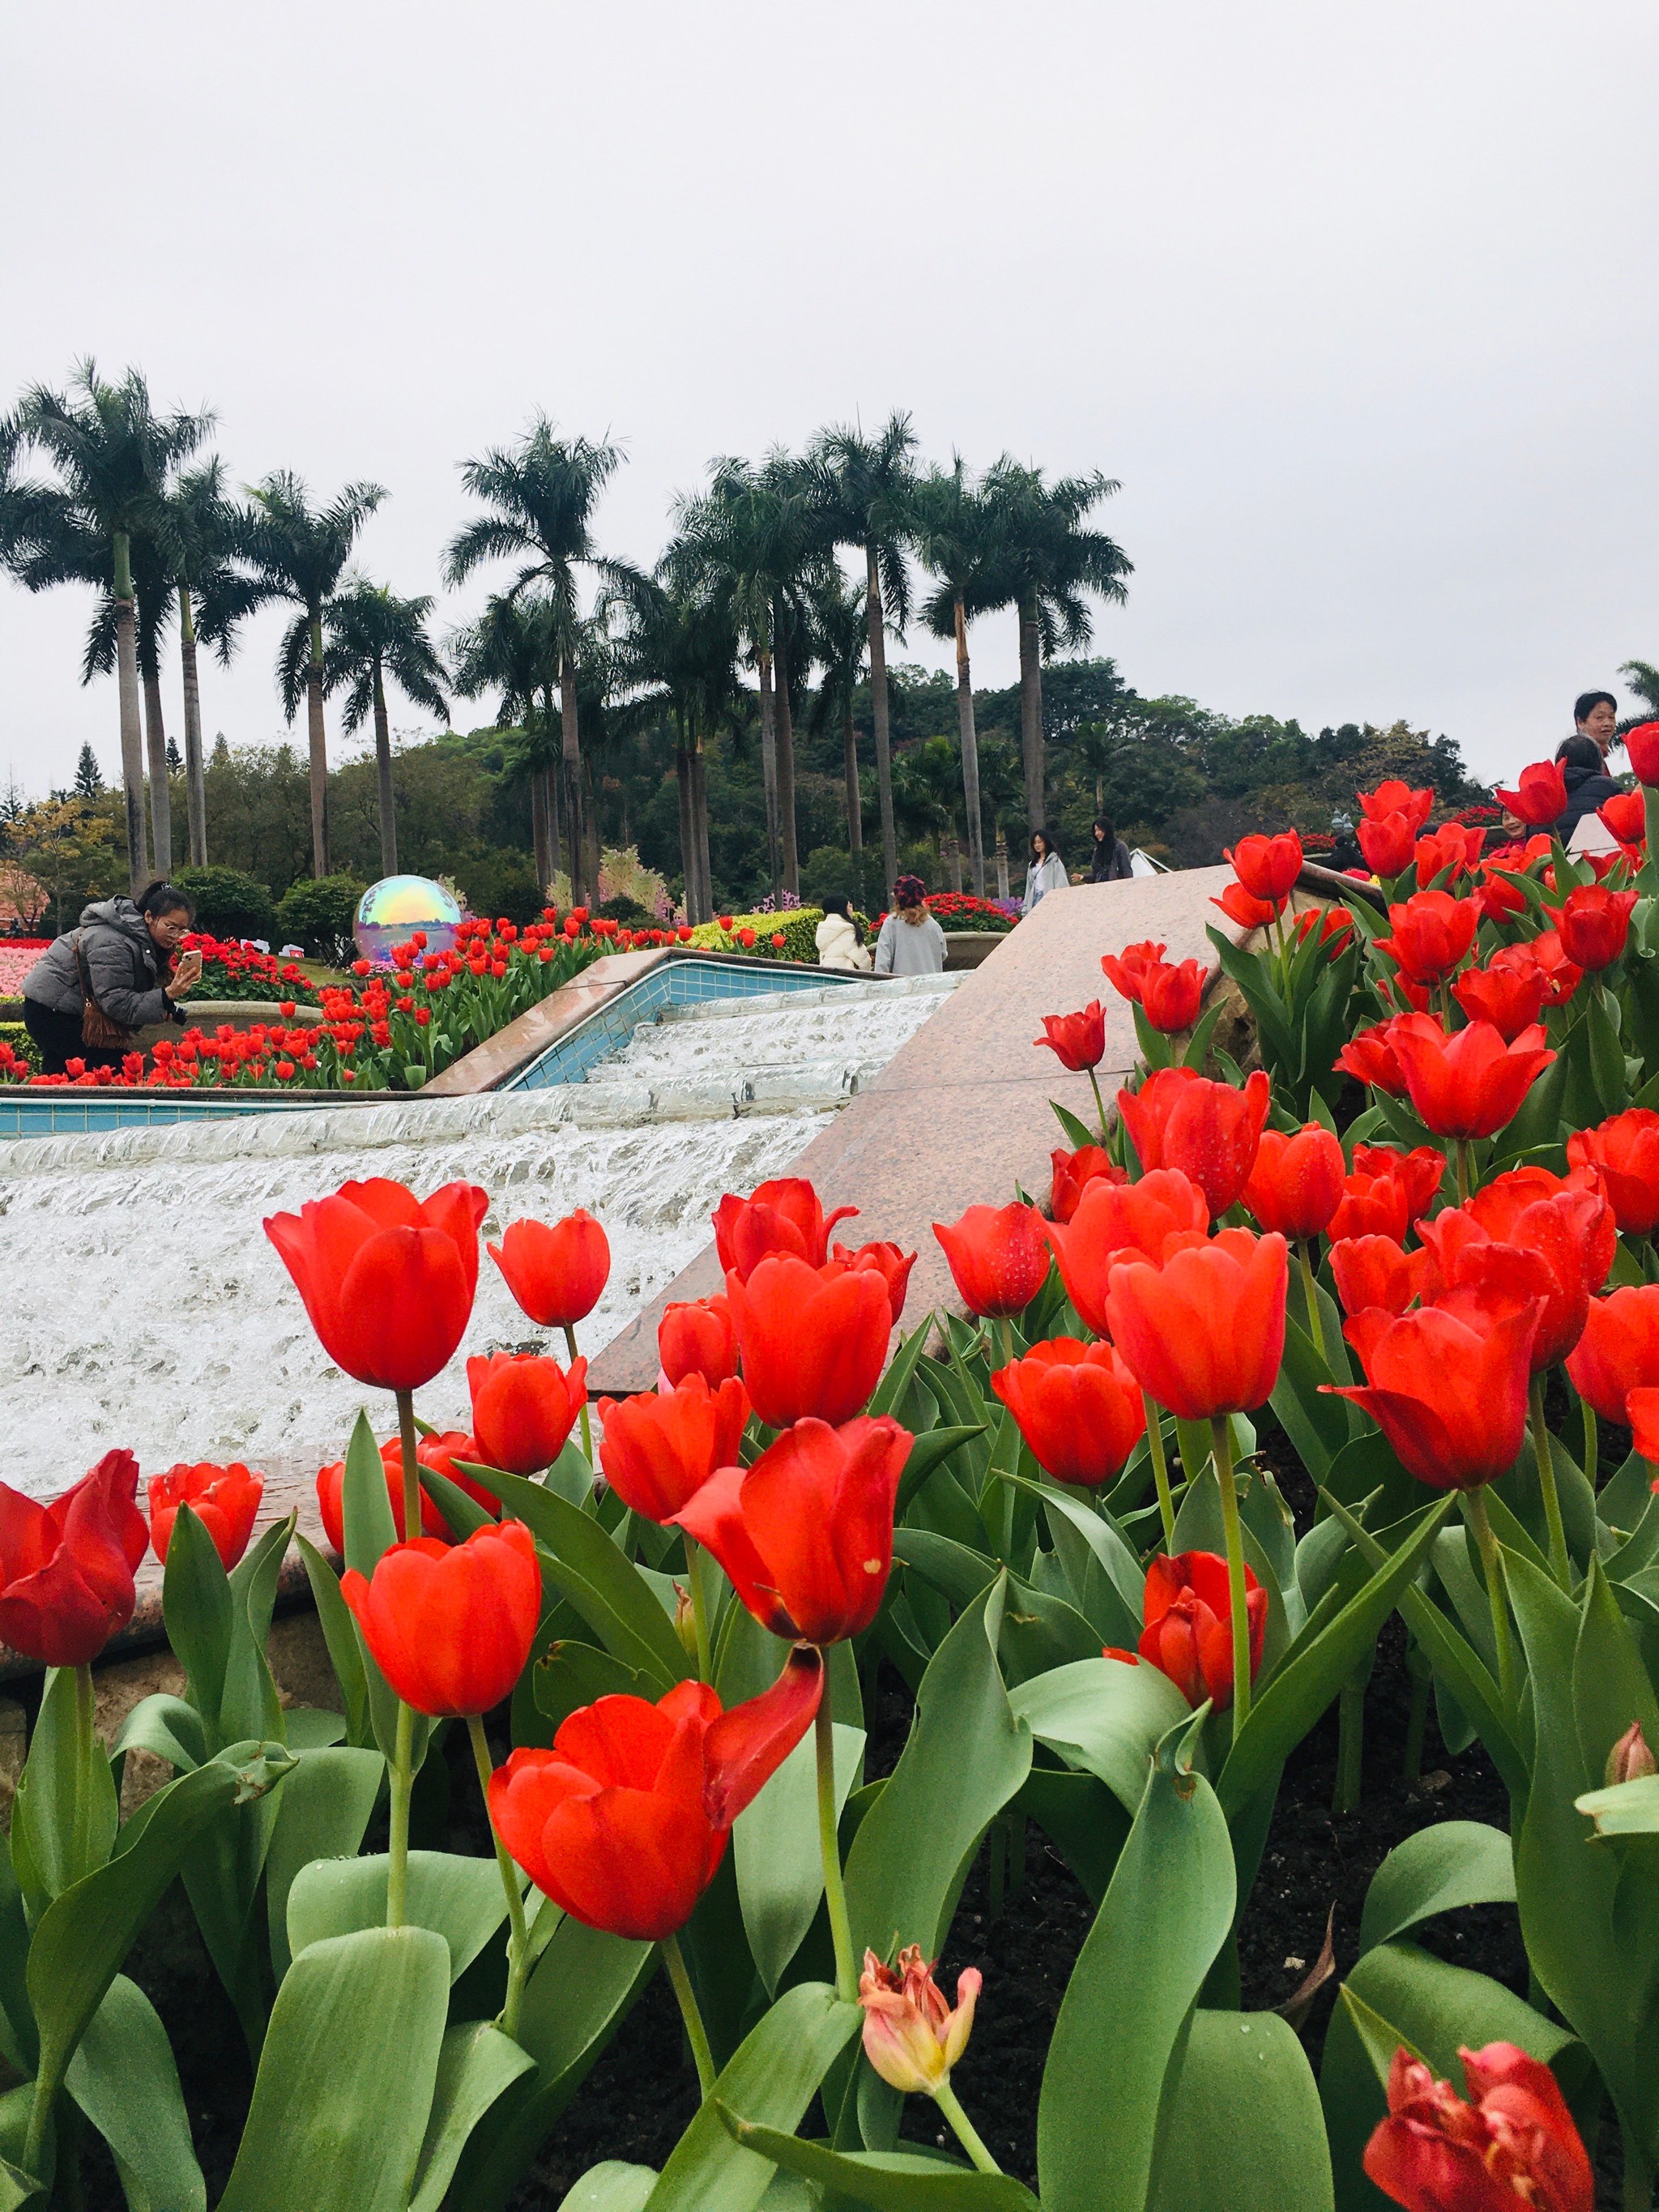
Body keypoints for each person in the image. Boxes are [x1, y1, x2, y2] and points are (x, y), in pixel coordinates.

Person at [22, 882, 202, 1075]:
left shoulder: (143, 939)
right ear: (149, 916)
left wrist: (166, 1005)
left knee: (64, 1071)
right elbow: (117, 1002)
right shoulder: (113, 941)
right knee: (114, 1068)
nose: (175, 936)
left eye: (182, 930)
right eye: (171, 927)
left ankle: (51, 1102)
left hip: (69, 1010)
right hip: (52, 1013)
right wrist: (167, 995)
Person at [1551, 732, 1623, 842]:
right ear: (1597, 761)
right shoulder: (1608, 788)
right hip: (1602, 856)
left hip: (1549, 858)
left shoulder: (1541, 797)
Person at [873, 875, 946, 976]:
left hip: (901, 987)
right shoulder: (933, 925)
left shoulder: (891, 924)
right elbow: (943, 954)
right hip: (931, 986)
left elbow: (882, 963)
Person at [1557, 691, 1619, 762]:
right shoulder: (1576, 755)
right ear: (1580, 722)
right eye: (1600, 717)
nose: (1607, 723)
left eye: (1611, 717)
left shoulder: (1599, 758)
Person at [815, 895, 872, 971]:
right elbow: (864, 961)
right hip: (847, 978)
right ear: (842, 909)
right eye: (849, 906)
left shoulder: (824, 931)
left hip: (828, 976)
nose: (852, 910)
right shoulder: (846, 932)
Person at [1022, 830, 1068, 914]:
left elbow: (1061, 883)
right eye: (1035, 843)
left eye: (1040, 842)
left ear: (1046, 842)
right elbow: (1029, 887)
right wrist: (1025, 906)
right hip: (1034, 899)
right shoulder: (1032, 865)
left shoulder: (1055, 861)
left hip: (1048, 898)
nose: (1037, 845)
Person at [1087, 816, 1133, 883]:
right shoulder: (1097, 851)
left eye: (1099, 830)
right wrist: (1084, 877)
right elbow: (1095, 874)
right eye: (1095, 831)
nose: (1096, 834)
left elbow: (1126, 871)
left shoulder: (1120, 847)